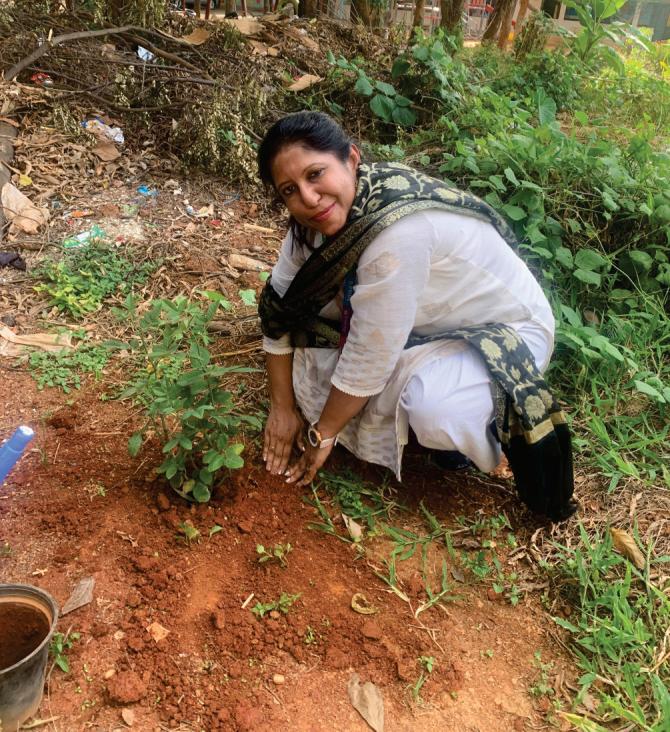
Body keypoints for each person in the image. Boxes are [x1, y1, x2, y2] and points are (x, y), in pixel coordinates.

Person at [257, 111, 576, 521]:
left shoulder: (398, 232)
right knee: (313, 343)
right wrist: (282, 407)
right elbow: (280, 308)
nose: (309, 197)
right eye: (290, 190)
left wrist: (323, 433)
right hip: (423, 323)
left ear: (351, 159)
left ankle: (474, 437)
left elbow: (368, 358)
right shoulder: (311, 226)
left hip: (503, 331)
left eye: (315, 174)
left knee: (435, 409)